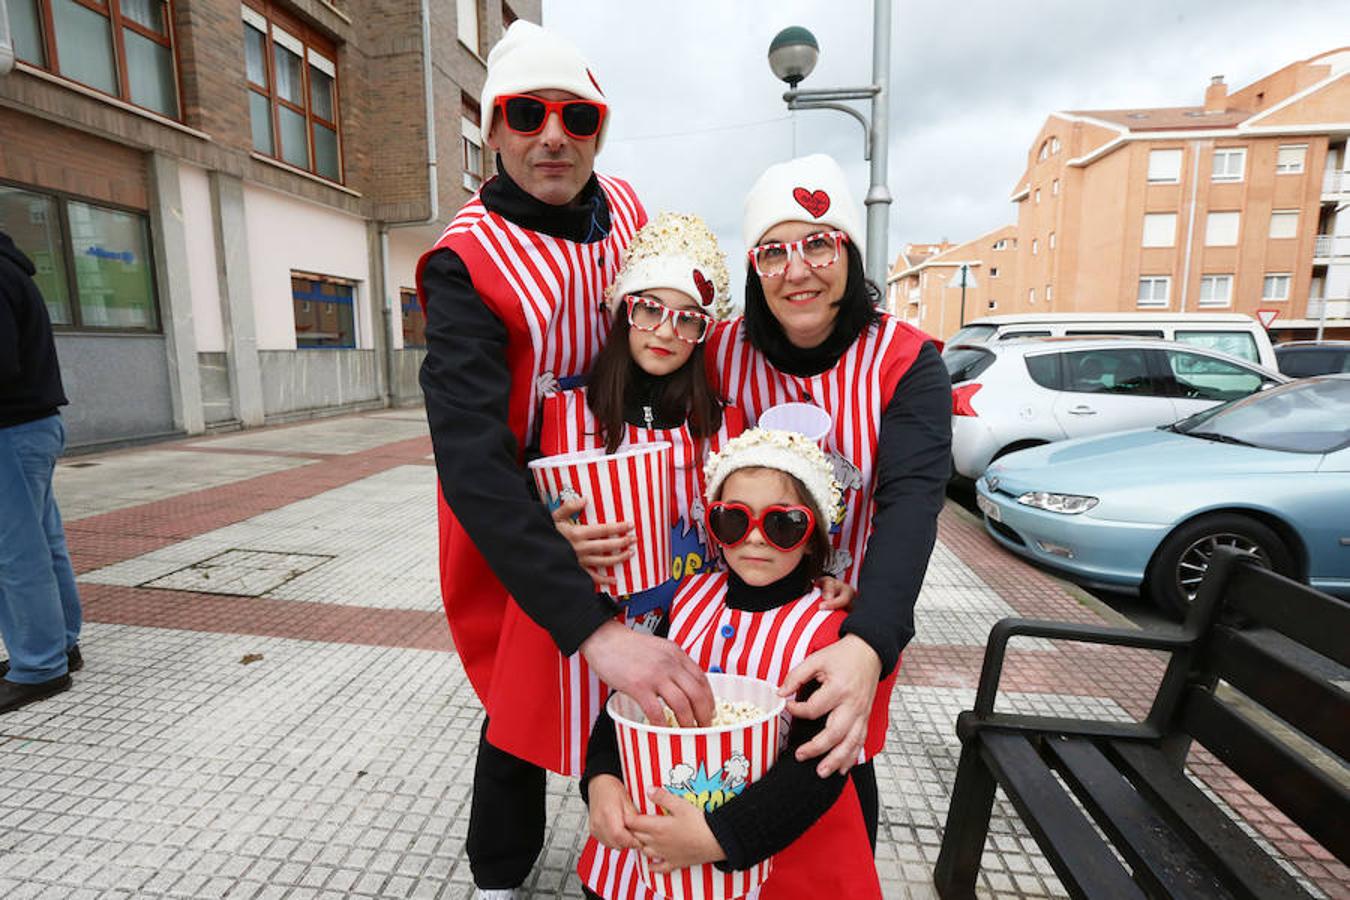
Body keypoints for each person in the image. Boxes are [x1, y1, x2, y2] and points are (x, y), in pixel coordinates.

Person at [415, 22, 713, 899]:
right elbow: (469, 457)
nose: (552, 134)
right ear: (493, 128)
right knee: (518, 703)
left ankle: (655, 840)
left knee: (652, 677)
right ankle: (499, 878)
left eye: (576, 115)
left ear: (599, 129)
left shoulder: (626, 208)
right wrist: (583, 613)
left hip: (646, 500)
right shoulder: (464, 263)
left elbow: (692, 320)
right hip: (532, 521)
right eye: (526, 114)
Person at [706, 154, 952, 838]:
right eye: (773, 252)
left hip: (842, 617)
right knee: (719, 765)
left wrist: (870, 643)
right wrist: (562, 508)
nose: (798, 269)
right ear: (754, 267)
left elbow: (910, 506)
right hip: (731, 605)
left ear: (849, 253)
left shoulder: (903, 360)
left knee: (830, 768)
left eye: (819, 242)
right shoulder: (720, 351)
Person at [578, 429, 891, 900]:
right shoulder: (685, 602)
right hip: (656, 842)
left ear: (813, 537)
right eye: (733, 521)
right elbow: (627, 704)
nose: (756, 539)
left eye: (783, 524)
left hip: (773, 853)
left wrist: (718, 838)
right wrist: (601, 778)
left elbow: (819, 765)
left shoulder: (829, 635)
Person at [489, 212, 745, 778]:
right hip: (575, 616)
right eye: (649, 308)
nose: (664, 332)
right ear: (622, 312)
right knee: (521, 744)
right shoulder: (562, 408)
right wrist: (549, 530)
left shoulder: (725, 422)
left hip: (685, 624)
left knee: (644, 764)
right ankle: (503, 863)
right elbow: (509, 504)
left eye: (687, 321)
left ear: (705, 332)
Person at [0, 229, 83, 714]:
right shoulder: (13, 269)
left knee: (15, 554)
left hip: (9, 430)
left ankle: (38, 666)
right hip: (33, 427)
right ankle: (61, 645)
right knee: (43, 545)